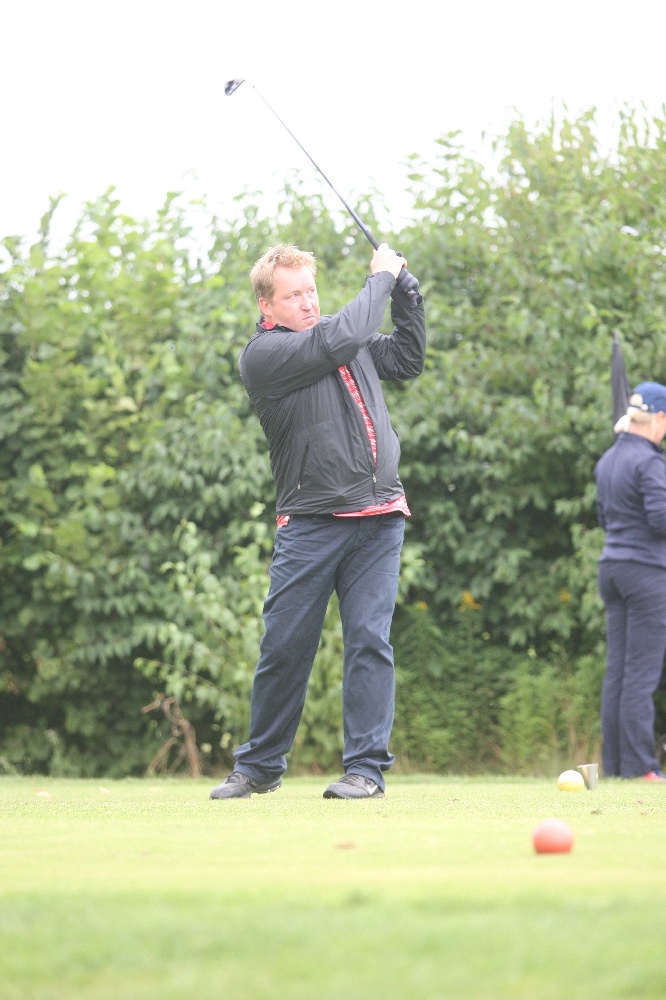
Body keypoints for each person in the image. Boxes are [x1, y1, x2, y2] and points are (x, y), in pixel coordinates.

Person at [210, 242, 426, 799]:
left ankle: (366, 772)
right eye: (293, 295)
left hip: (380, 516)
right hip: (312, 521)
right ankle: (260, 767)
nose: (308, 303)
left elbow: (406, 359)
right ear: (266, 305)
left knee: (369, 641)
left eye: (311, 291)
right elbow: (339, 339)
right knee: (286, 645)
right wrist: (381, 279)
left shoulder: (342, 335)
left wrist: (406, 296)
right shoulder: (265, 355)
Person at [595, 381, 666, 781]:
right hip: (646, 573)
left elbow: (603, 518)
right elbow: (659, 519)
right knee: (641, 673)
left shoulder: (608, 460)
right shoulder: (650, 462)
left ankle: (617, 767)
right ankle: (641, 768)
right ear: (659, 418)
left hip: (613, 568)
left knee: (619, 671)